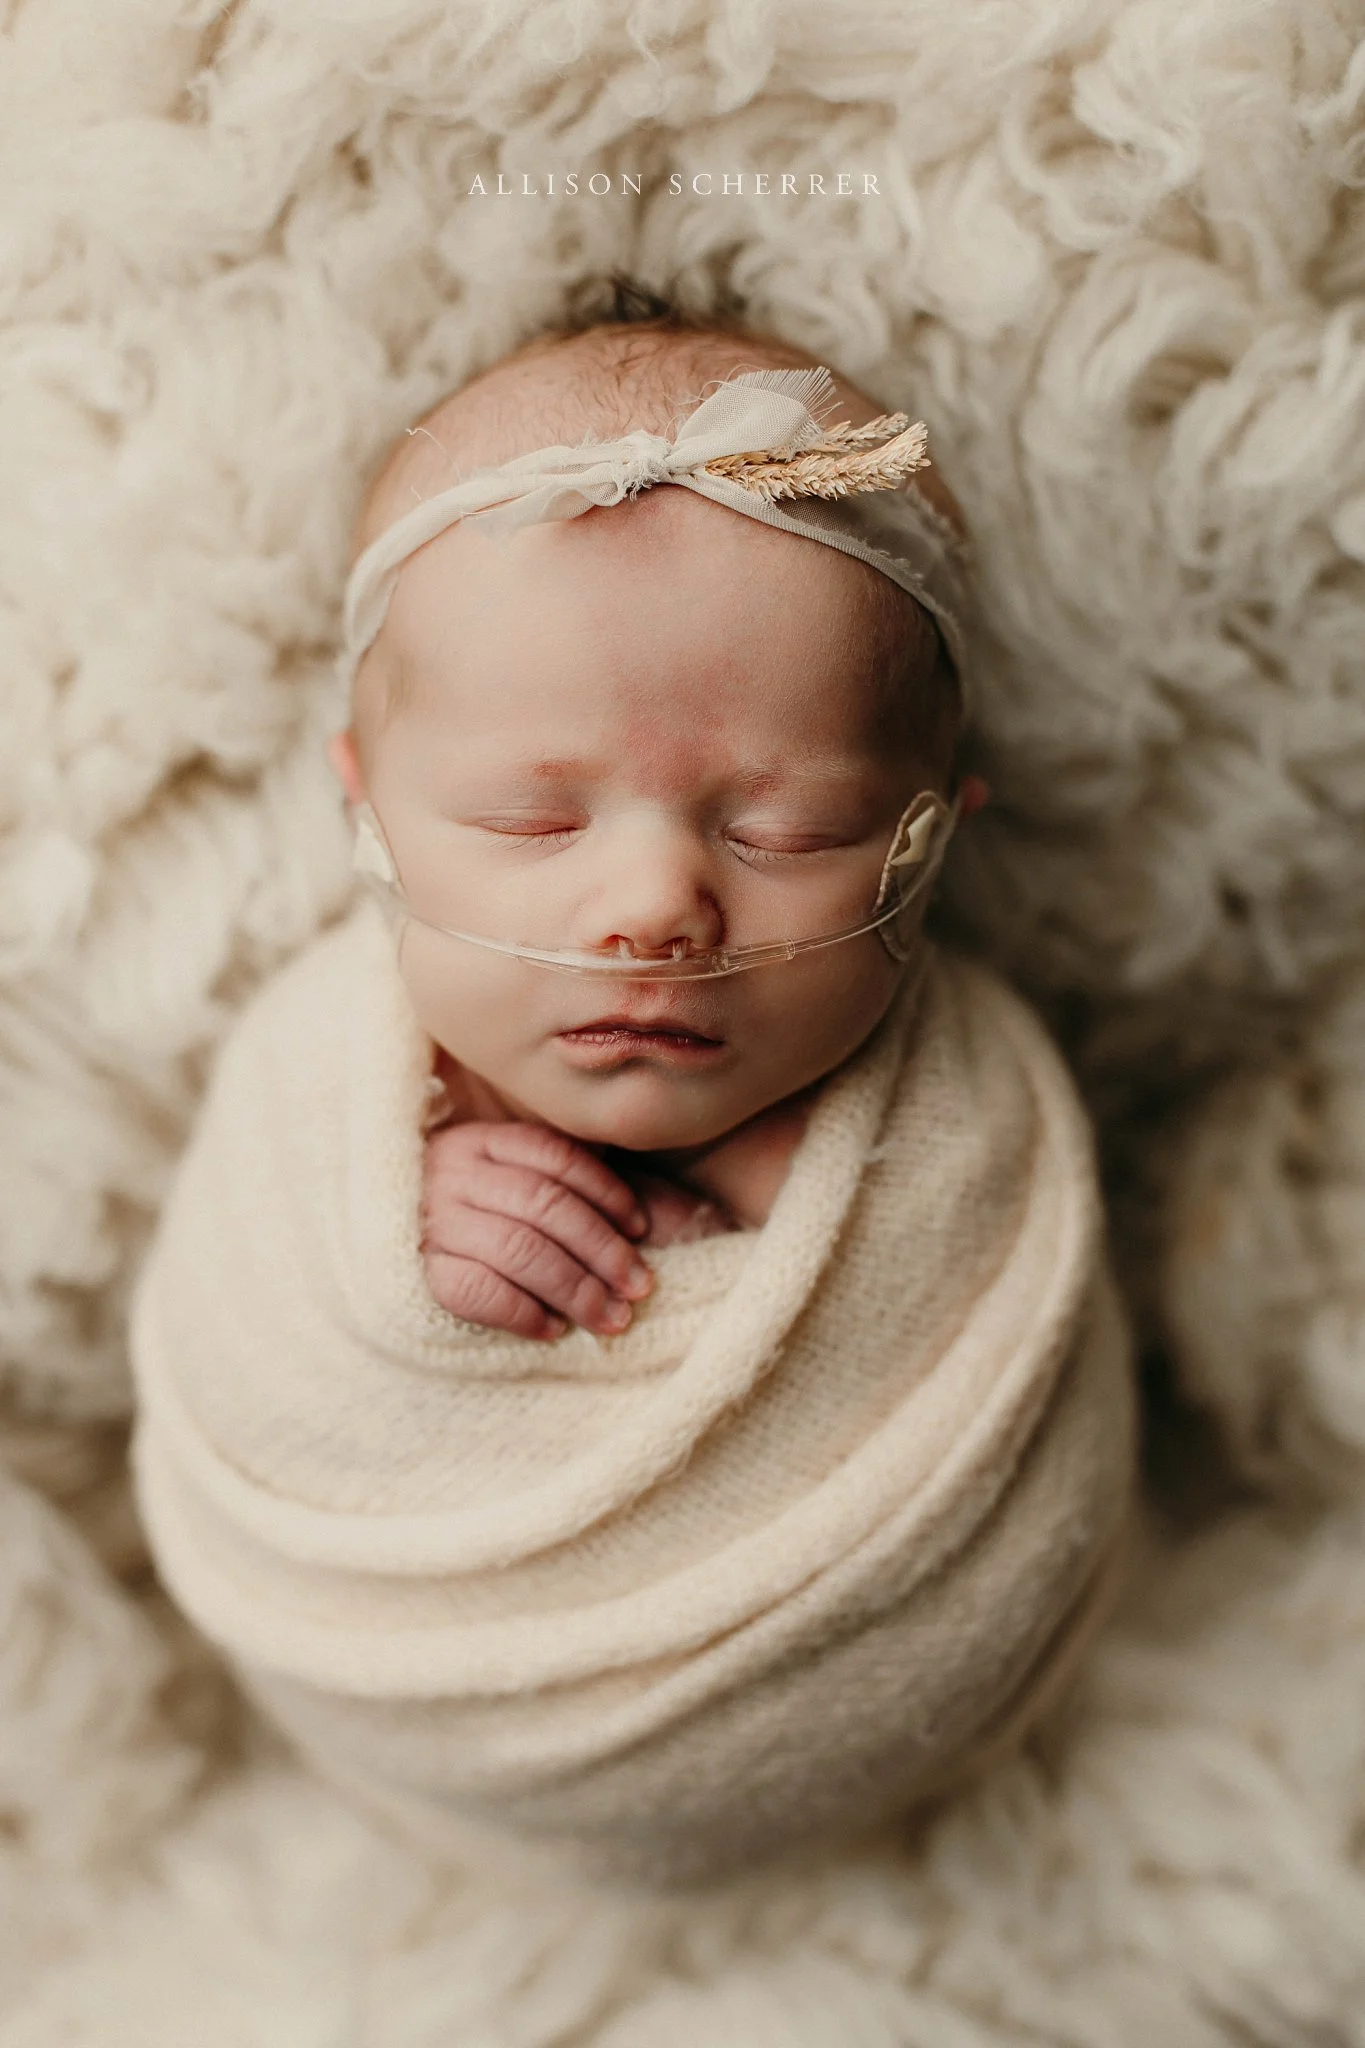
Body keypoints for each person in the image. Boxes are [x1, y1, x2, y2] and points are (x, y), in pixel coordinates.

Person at [130, 300, 1139, 1891]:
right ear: (370, 812)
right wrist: (398, 1238)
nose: (654, 905)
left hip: (869, 1713)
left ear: (934, 837)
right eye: (532, 822)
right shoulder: (329, 1078)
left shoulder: (964, 1106)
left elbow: (998, 1361)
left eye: (788, 830)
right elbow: (257, 1329)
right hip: (413, 1703)